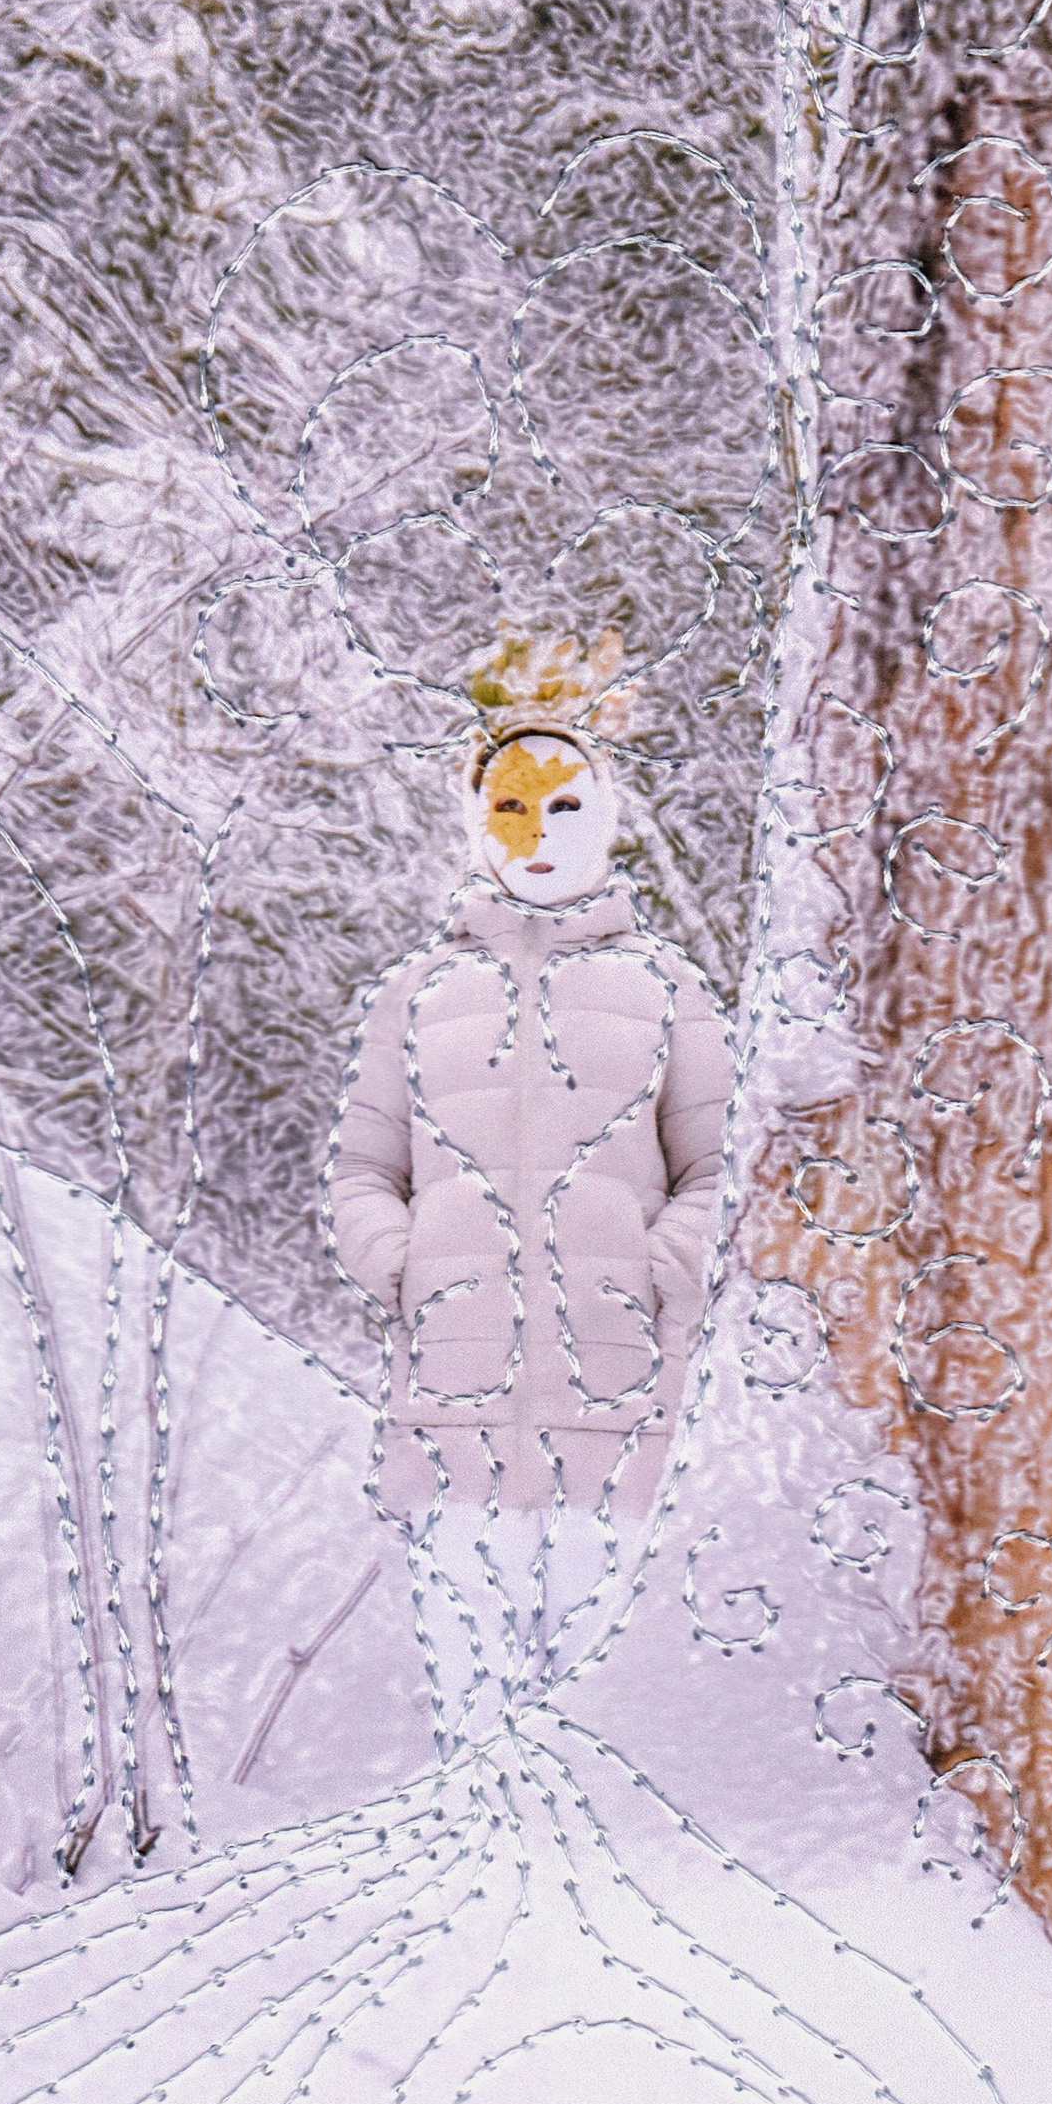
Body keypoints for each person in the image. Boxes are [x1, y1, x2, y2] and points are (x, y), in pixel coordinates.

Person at [323, 654, 734, 1727]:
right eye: (507, 807)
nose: (535, 832)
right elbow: (362, 1168)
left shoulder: (667, 990)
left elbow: (723, 1172)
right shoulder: (413, 997)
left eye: (562, 805)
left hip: (622, 1408)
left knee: (597, 1723)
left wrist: (655, 1274)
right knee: (472, 1719)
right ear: (471, 820)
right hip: (449, 1406)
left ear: (607, 818)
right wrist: (401, 1266)